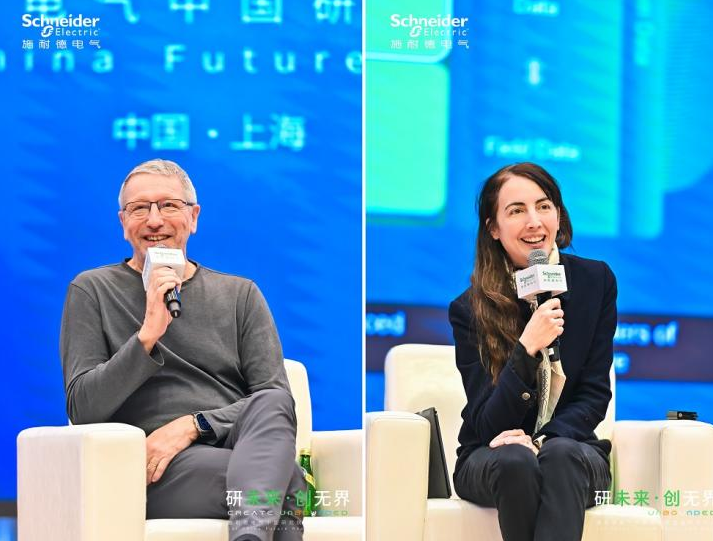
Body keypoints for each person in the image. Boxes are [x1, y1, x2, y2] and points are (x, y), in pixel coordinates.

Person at [60, 159, 304, 541]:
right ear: (123, 222)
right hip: (155, 467)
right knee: (287, 481)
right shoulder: (92, 290)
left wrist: (194, 425)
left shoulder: (240, 295)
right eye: (139, 208)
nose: (154, 220)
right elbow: (82, 408)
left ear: (193, 217)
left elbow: (274, 399)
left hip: (239, 448)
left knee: (274, 403)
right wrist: (146, 336)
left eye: (169, 206)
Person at [449, 162, 615, 541]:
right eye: (516, 211)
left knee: (559, 455)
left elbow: (593, 395)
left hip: (573, 450)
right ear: (493, 228)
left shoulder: (595, 282)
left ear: (558, 214)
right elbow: (488, 425)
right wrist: (527, 347)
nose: (534, 222)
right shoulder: (469, 310)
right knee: (515, 460)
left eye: (543, 206)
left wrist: (543, 440)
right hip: (490, 455)